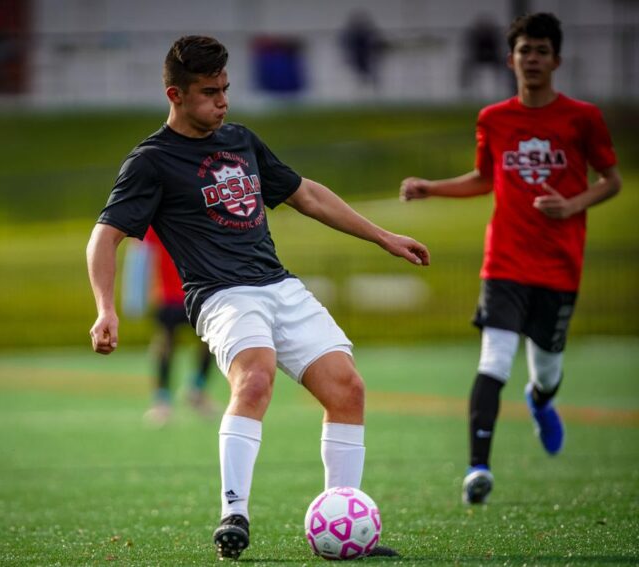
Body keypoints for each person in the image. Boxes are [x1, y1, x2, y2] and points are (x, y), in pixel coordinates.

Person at [87, 35, 430, 560]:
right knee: (256, 376)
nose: (223, 101)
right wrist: (106, 308)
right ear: (175, 95)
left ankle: (344, 525)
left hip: (279, 286)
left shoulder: (241, 140)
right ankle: (234, 514)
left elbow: (307, 194)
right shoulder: (151, 161)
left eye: (226, 88)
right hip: (221, 295)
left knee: (348, 390)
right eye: (209, 92)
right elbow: (104, 235)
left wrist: (384, 237)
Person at [400, 13, 621, 505]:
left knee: (545, 372)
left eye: (542, 51)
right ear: (511, 59)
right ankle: (477, 468)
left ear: (556, 60)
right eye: (525, 51)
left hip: (560, 266)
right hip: (503, 262)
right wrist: (430, 187)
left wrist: (572, 204)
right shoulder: (494, 119)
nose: (533, 59)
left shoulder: (582, 118)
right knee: (494, 360)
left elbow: (612, 180)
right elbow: (485, 178)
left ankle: (541, 401)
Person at [123, 226, 217, 426]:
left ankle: (197, 390)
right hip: (167, 295)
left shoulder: (195, 212)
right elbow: (141, 255)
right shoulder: (155, 223)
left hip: (197, 292)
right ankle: (162, 400)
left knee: (212, 341)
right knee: (165, 344)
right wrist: (136, 297)